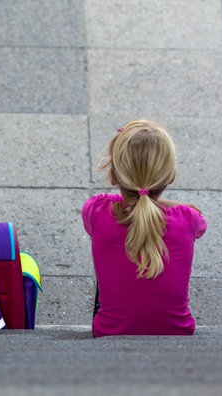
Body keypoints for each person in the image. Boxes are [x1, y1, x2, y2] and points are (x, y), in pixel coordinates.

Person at [82, 120, 207, 337]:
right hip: (178, 332)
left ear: (113, 176)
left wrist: (136, 195)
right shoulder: (188, 218)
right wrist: (173, 205)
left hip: (109, 332)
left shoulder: (96, 211)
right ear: (171, 176)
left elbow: (112, 201)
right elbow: (200, 223)